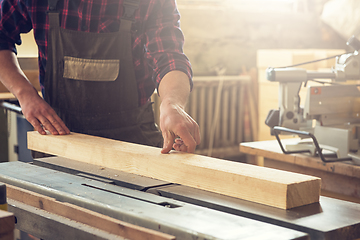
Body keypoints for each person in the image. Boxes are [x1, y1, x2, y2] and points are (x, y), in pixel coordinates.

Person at [0, 0, 201, 153]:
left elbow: (169, 58)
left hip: (132, 141)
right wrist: (24, 93)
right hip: (59, 139)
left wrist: (172, 103)